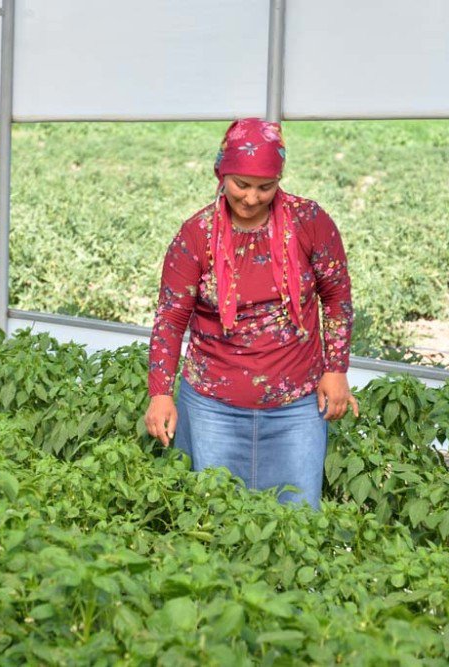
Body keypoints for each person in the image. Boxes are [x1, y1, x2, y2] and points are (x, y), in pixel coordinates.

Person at [144, 117, 357, 509]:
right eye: (241, 184)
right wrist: (160, 393)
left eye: (265, 187)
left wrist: (335, 368)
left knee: (296, 523)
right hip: (212, 408)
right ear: (221, 172)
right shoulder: (196, 235)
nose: (252, 198)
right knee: (216, 520)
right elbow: (171, 319)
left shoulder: (310, 222)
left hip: (296, 407)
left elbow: (337, 298)